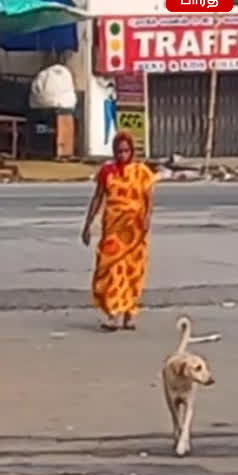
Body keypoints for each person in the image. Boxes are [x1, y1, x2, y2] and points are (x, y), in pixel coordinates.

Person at [81, 131, 156, 331]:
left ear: (132, 151)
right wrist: (88, 224)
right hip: (113, 230)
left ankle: (129, 314)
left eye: (126, 151)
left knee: (133, 272)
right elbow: (97, 198)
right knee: (110, 269)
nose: (123, 155)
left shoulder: (141, 172)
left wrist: (147, 218)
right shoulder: (107, 172)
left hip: (135, 231)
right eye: (119, 151)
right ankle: (113, 313)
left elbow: (148, 199)